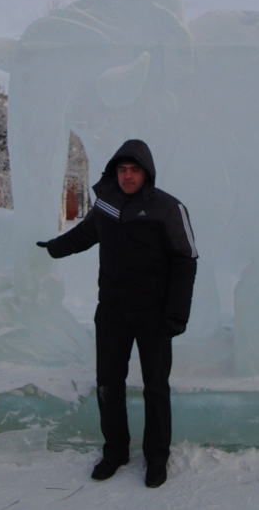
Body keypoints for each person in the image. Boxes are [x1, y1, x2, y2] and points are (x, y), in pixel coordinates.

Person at [37, 139, 198, 488]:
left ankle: (156, 457)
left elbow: (185, 261)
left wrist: (177, 314)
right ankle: (115, 451)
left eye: (134, 170)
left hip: (153, 314)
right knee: (108, 384)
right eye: (122, 170)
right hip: (111, 311)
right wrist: (52, 248)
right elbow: (84, 234)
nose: (127, 177)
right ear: (115, 172)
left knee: (156, 387)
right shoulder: (107, 205)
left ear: (146, 173)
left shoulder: (168, 208)